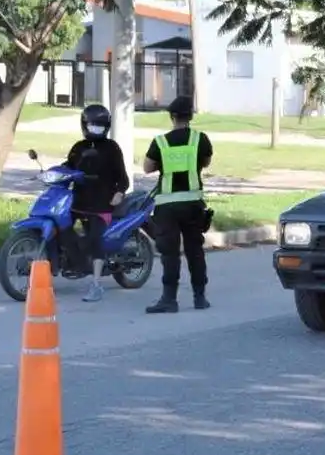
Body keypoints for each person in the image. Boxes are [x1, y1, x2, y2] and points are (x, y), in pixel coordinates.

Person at [143, 95, 214, 313]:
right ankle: (200, 297)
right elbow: (206, 162)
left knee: (170, 254)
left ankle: (169, 299)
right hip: (193, 205)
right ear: (190, 116)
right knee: (195, 251)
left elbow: (147, 167)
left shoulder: (160, 142)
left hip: (167, 207)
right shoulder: (200, 139)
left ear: (172, 117)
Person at [64, 104, 130, 303]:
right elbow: (67, 167)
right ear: (84, 125)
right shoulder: (79, 147)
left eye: (99, 125)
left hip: (102, 204)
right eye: (92, 125)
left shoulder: (112, 148)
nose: (96, 129)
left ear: (107, 126)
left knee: (95, 238)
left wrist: (119, 193)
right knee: (63, 229)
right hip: (78, 201)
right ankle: (77, 263)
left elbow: (123, 178)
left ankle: (96, 284)